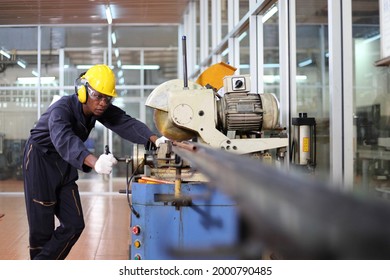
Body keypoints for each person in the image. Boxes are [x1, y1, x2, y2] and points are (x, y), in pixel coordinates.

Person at [23, 64, 166, 260]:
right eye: (97, 96)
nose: (102, 103)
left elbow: (125, 122)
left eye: (107, 98)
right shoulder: (61, 110)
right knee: (42, 228)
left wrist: (155, 139)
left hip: (64, 164)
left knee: (74, 224)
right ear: (83, 91)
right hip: (41, 161)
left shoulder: (99, 109)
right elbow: (65, 139)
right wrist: (95, 162)